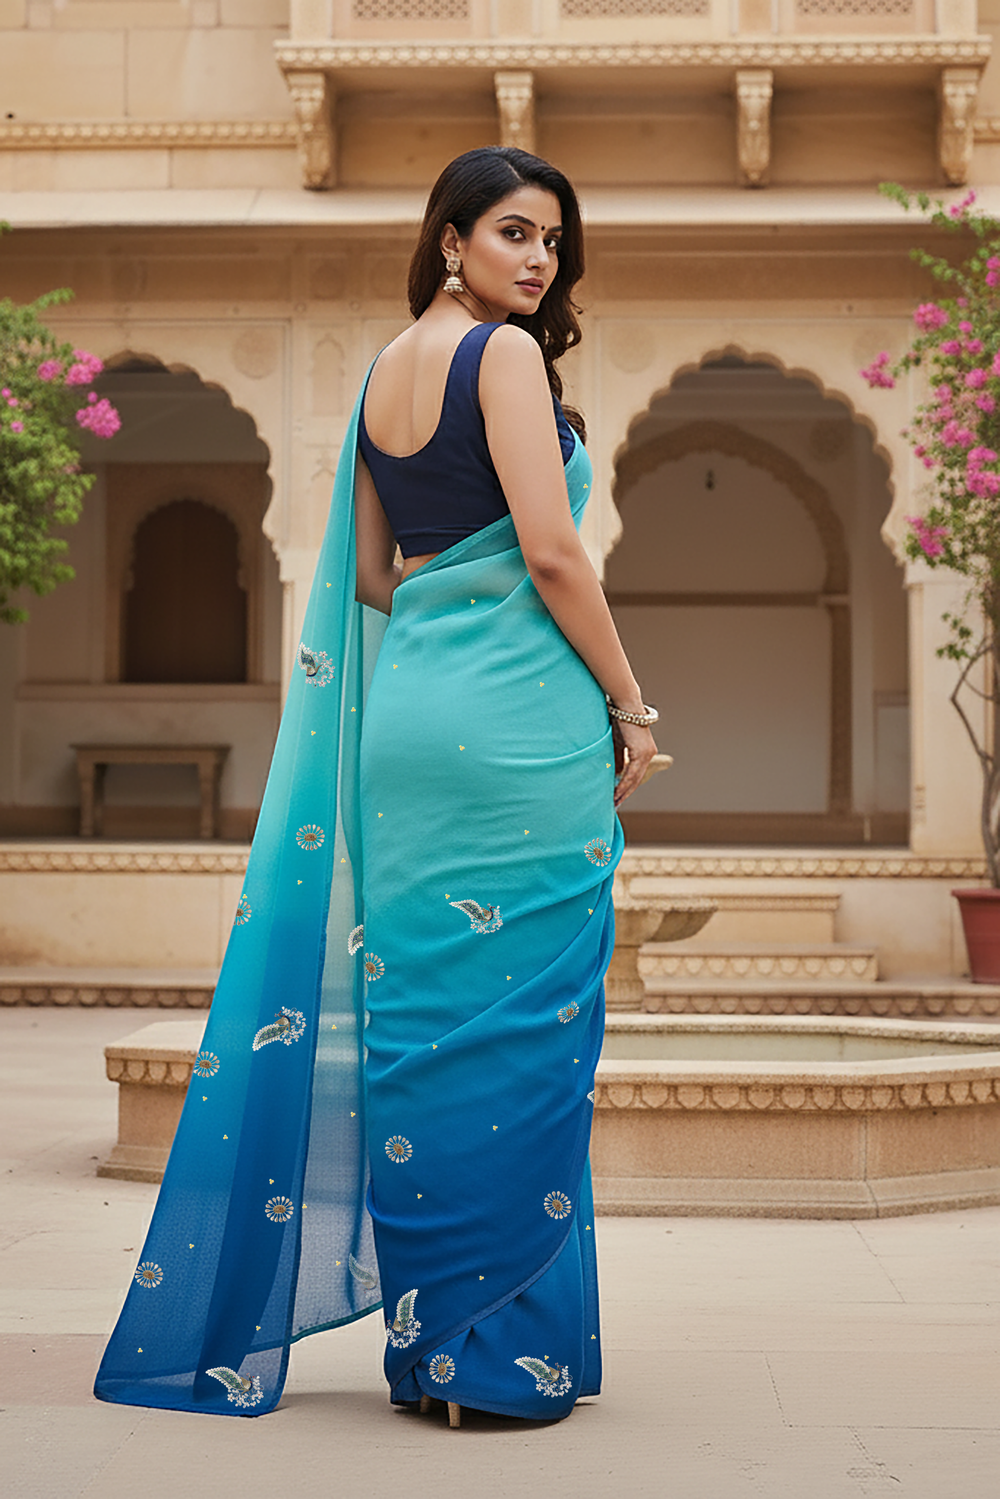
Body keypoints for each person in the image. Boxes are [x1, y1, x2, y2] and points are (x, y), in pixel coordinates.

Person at [94, 146, 657, 1427]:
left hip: (409, 722)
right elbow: (558, 555)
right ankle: (491, 1359)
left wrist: (457, 618)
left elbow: (364, 572)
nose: (539, 260)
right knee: (519, 1029)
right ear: (450, 239)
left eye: (553, 243)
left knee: (426, 1021)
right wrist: (629, 703)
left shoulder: (378, 373)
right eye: (514, 233)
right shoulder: (503, 359)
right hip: (517, 729)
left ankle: (434, 1353)